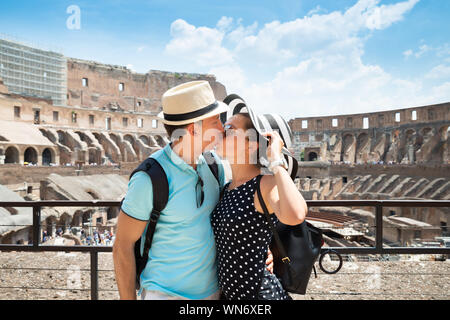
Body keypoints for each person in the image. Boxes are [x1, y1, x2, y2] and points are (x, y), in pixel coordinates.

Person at [113, 81, 274, 300]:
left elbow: (232, 216)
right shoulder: (150, 178)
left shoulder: (213, 164)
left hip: (214, 294)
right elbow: (122, 246)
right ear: (193, 129)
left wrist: (260, 250)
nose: (221, 127)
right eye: (215, 120)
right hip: (165, 294)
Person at [212, 94, 308, 300]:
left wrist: (276, 161)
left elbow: (296, 214)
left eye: (229, 129)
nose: (220, 132)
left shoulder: (264, 184)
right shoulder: (227, 187)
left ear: (252, 144)